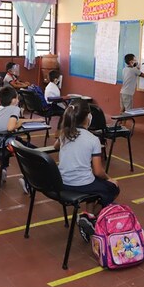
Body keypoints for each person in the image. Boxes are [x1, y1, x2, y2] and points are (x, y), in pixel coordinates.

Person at [53, 99, 120, 242]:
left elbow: (55, 146)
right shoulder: (93, 139)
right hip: (82, 183)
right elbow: (98, 171)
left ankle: (88, 214)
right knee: (112, 188)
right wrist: (109, 179)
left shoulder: (64, 133)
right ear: (88, 117)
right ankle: (88, 217)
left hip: (62, 182)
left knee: (94, 184)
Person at [0, 86, 37, 193]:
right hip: (6, 144)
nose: (18, 100)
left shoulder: (0, 109)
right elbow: (10, 127)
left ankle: (3, 169)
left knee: (13, 139)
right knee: (34, 152)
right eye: (17, 98)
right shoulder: (15, 109)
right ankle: (26, 181)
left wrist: (21, 121)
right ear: (13, 100)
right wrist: (20, 122)